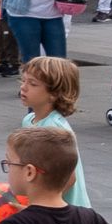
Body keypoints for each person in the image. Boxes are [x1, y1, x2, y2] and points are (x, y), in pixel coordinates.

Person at [18, 57, 89, 208]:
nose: (24, 87)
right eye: (23, 81)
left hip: (68, 211)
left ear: (54, 94)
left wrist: (42, 203)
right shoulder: (29, 120)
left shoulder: (54, 128)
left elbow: (69, 178)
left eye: (33, 84)